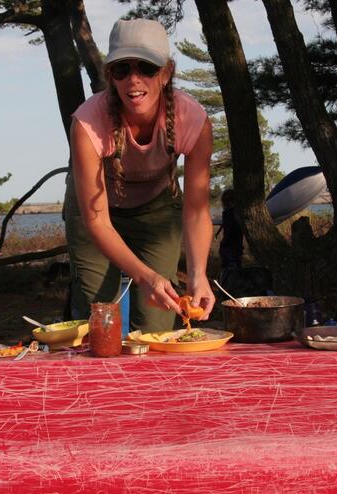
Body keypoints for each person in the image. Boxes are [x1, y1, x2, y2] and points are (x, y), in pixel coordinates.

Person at [65, 18, 215, 332]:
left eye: (146, 68)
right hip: (95, 215)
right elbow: (97, 221)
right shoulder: (87, 123)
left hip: (156, 210)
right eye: (122, 69)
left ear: (166, 73)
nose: (134, 80)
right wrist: (144, 276)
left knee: (158, 320)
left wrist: (199, 275)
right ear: (111, 75)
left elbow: (197, 210)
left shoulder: (194, 121)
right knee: (100, 318)